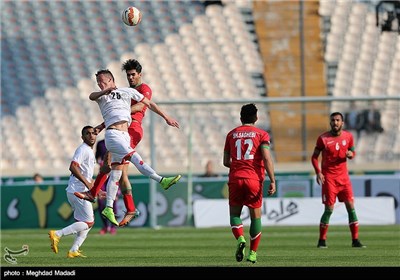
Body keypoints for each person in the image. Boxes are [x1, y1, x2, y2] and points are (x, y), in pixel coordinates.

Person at [77, 69, 181, 227]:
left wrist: (166, 117)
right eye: (98, 83)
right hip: (113, 136)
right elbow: (91, 96)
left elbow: (148, 103)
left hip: (125, 134)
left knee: (116, 173)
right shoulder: (102, 96)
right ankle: (161, 180)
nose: (100, 85)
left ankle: (109, 207)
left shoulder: (127, 92)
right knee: (135, 157)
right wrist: (104, 90)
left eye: (103, 82)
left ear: (111, 80)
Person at [223, 103, 276, 264]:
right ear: (256, 118)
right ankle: (252, 253)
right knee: (256, 218)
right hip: (254, 179)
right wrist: (273, 180)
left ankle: (240, 239)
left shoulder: (231, 135)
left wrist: (239, 166)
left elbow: (226, 162)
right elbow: (266, 158)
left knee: (234, 215)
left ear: (241, 118)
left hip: (235, 178)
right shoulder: (262, 135)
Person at [311, 112, 366, 249]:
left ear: (342, 123)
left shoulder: (348, 136)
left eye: (337, 120)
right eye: (333, 120)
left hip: (344, 178)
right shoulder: (323, 138)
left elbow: (353, 151)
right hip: (329, 178)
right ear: (330, 123)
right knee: (329, 209)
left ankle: (355, 240)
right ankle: (322, 241)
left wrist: (351, 154)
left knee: (351, 208)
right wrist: (318, 172)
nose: (335, 123)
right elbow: (314, 157)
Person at [48, 126, 99, 258]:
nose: (91, 136)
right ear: (82, 137)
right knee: (88, 223)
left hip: (76, 190)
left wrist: (96, 189)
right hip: (78, 192)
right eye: (87, 134)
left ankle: (74, 250)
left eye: (93, 133)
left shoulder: (89, 151)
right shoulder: (83, 150)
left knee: (85, 223)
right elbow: (72, 167)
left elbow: (87, 175)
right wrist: (87, 184)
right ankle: (57, 234)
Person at [95, 139, 118, 235]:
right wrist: (102, 163)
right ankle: (105, 226)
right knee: (100, 201)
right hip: (103, 175)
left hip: (114, 175)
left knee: (114, 200)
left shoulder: (117, 142)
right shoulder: (100, 143)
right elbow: (97, 157)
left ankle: (112, 226)